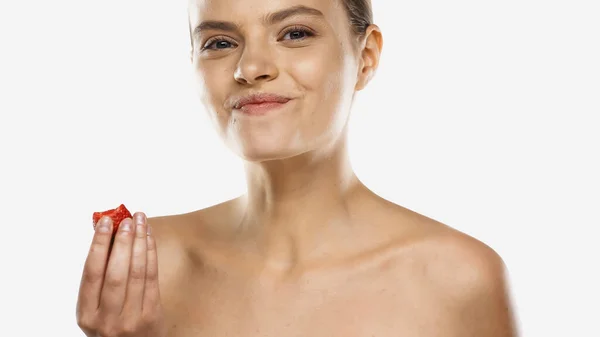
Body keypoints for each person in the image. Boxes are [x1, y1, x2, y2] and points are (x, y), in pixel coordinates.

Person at [76, 0, 519, 336]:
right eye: (220, 43)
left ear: (365, 57)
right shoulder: (147, 268)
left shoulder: (458, 278)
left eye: (295, 33)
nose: (251, 68)